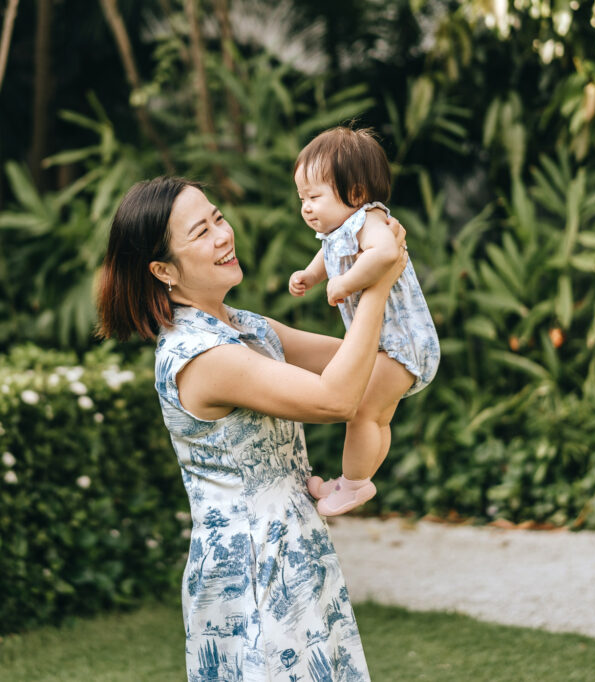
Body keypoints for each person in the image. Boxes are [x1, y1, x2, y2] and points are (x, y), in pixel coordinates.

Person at [97, 176, 407, 681]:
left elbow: (371, 365)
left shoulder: (246, 328)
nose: (223, 235)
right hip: (252, 570)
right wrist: (376, 285)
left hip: (296, 550)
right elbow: (336, 399)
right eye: (201, 232)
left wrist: (373, 255)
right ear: (163, 270)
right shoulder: (201, 355)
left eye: (219, 217)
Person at [288, 126, 440, 516]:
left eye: (314, 196)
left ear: (354, 194)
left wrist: (347, 282)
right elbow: (327, 255)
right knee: (379, 417)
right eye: (302, 197)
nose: (306, 206)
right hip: (392, 345)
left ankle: (354, 485)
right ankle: (354, 480)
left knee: (362, 413)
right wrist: (310, 275)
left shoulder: (370, 221)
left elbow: (387, 253)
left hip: (401, 344)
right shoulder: (341, 231)